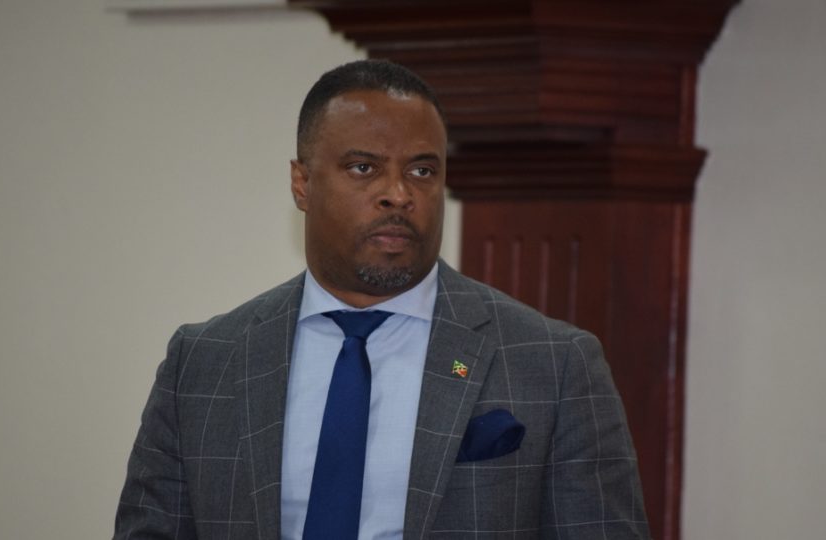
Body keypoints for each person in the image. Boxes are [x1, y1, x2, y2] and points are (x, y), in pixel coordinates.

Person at [114, 59, 650, 539]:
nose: (399, 193)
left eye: (422, 171)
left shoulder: (552, 364)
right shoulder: (204, 363)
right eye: (364, 168)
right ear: (302, 183)